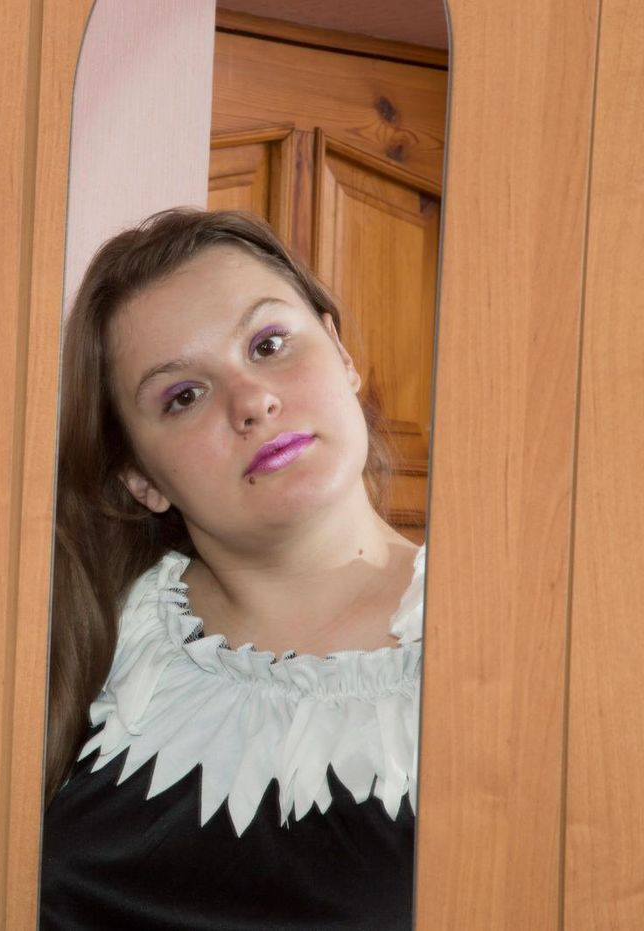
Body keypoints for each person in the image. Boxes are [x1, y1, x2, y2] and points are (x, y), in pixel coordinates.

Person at [39, 209, 424, 929]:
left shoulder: (505, 651)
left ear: (341, 353)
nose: (252, 401)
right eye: (184, 396)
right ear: (140, 478)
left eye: (269, 344)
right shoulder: (87, 640)